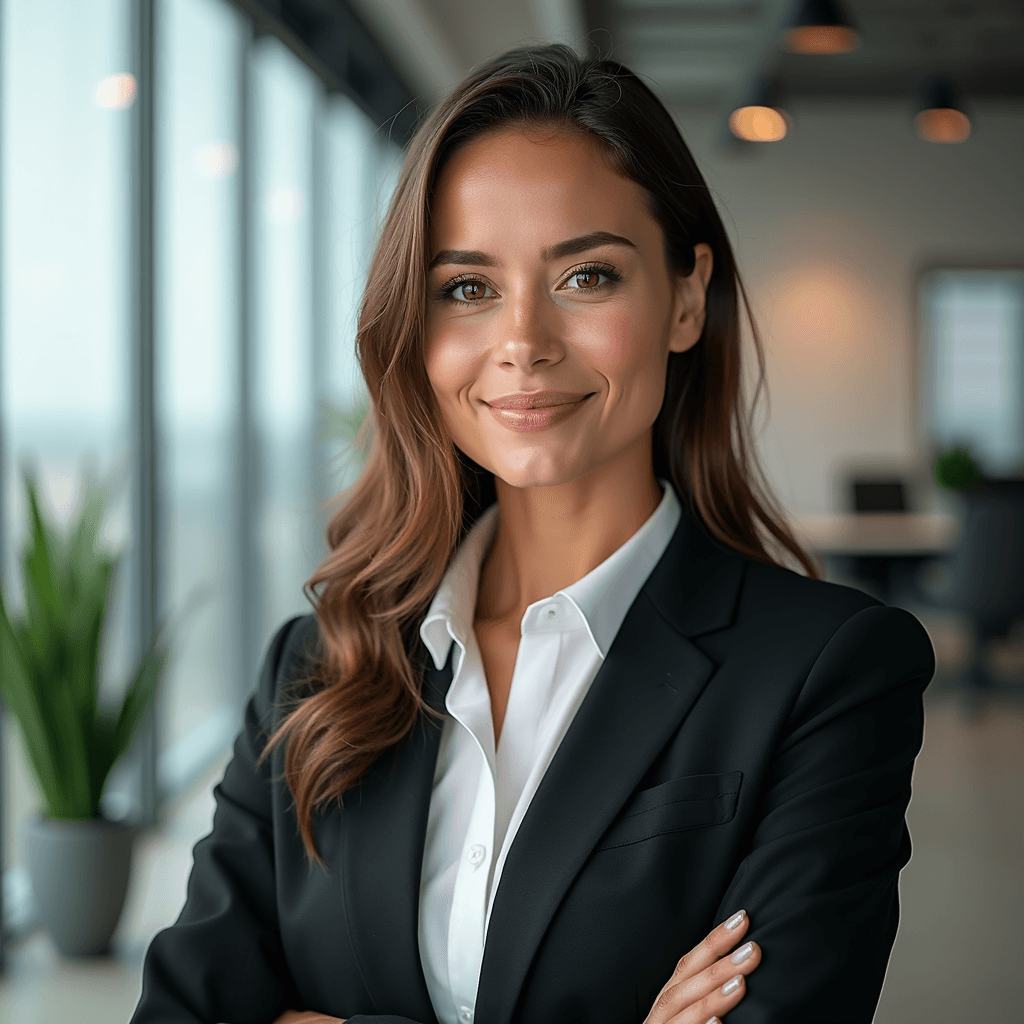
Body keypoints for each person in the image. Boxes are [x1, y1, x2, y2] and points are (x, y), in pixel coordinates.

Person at [130, 45, 935, 1024]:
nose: (522, 342)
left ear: (685, 299)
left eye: (586, 276)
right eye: (466, 287)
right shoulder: (315, 667)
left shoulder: (826, 673)